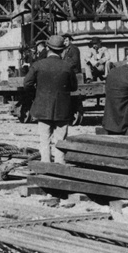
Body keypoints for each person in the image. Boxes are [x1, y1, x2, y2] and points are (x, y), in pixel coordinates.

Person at [22, 35, 77, 163]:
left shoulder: (38, 65)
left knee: (44, 138)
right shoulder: (67, 66)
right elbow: (74, 87)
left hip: (42, 107)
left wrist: (38, 94)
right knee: (60, 138)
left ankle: (45, 163)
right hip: (62, 109)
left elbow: (27, 84)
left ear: (47, 48)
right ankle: (59, 163)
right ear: (62, 50)